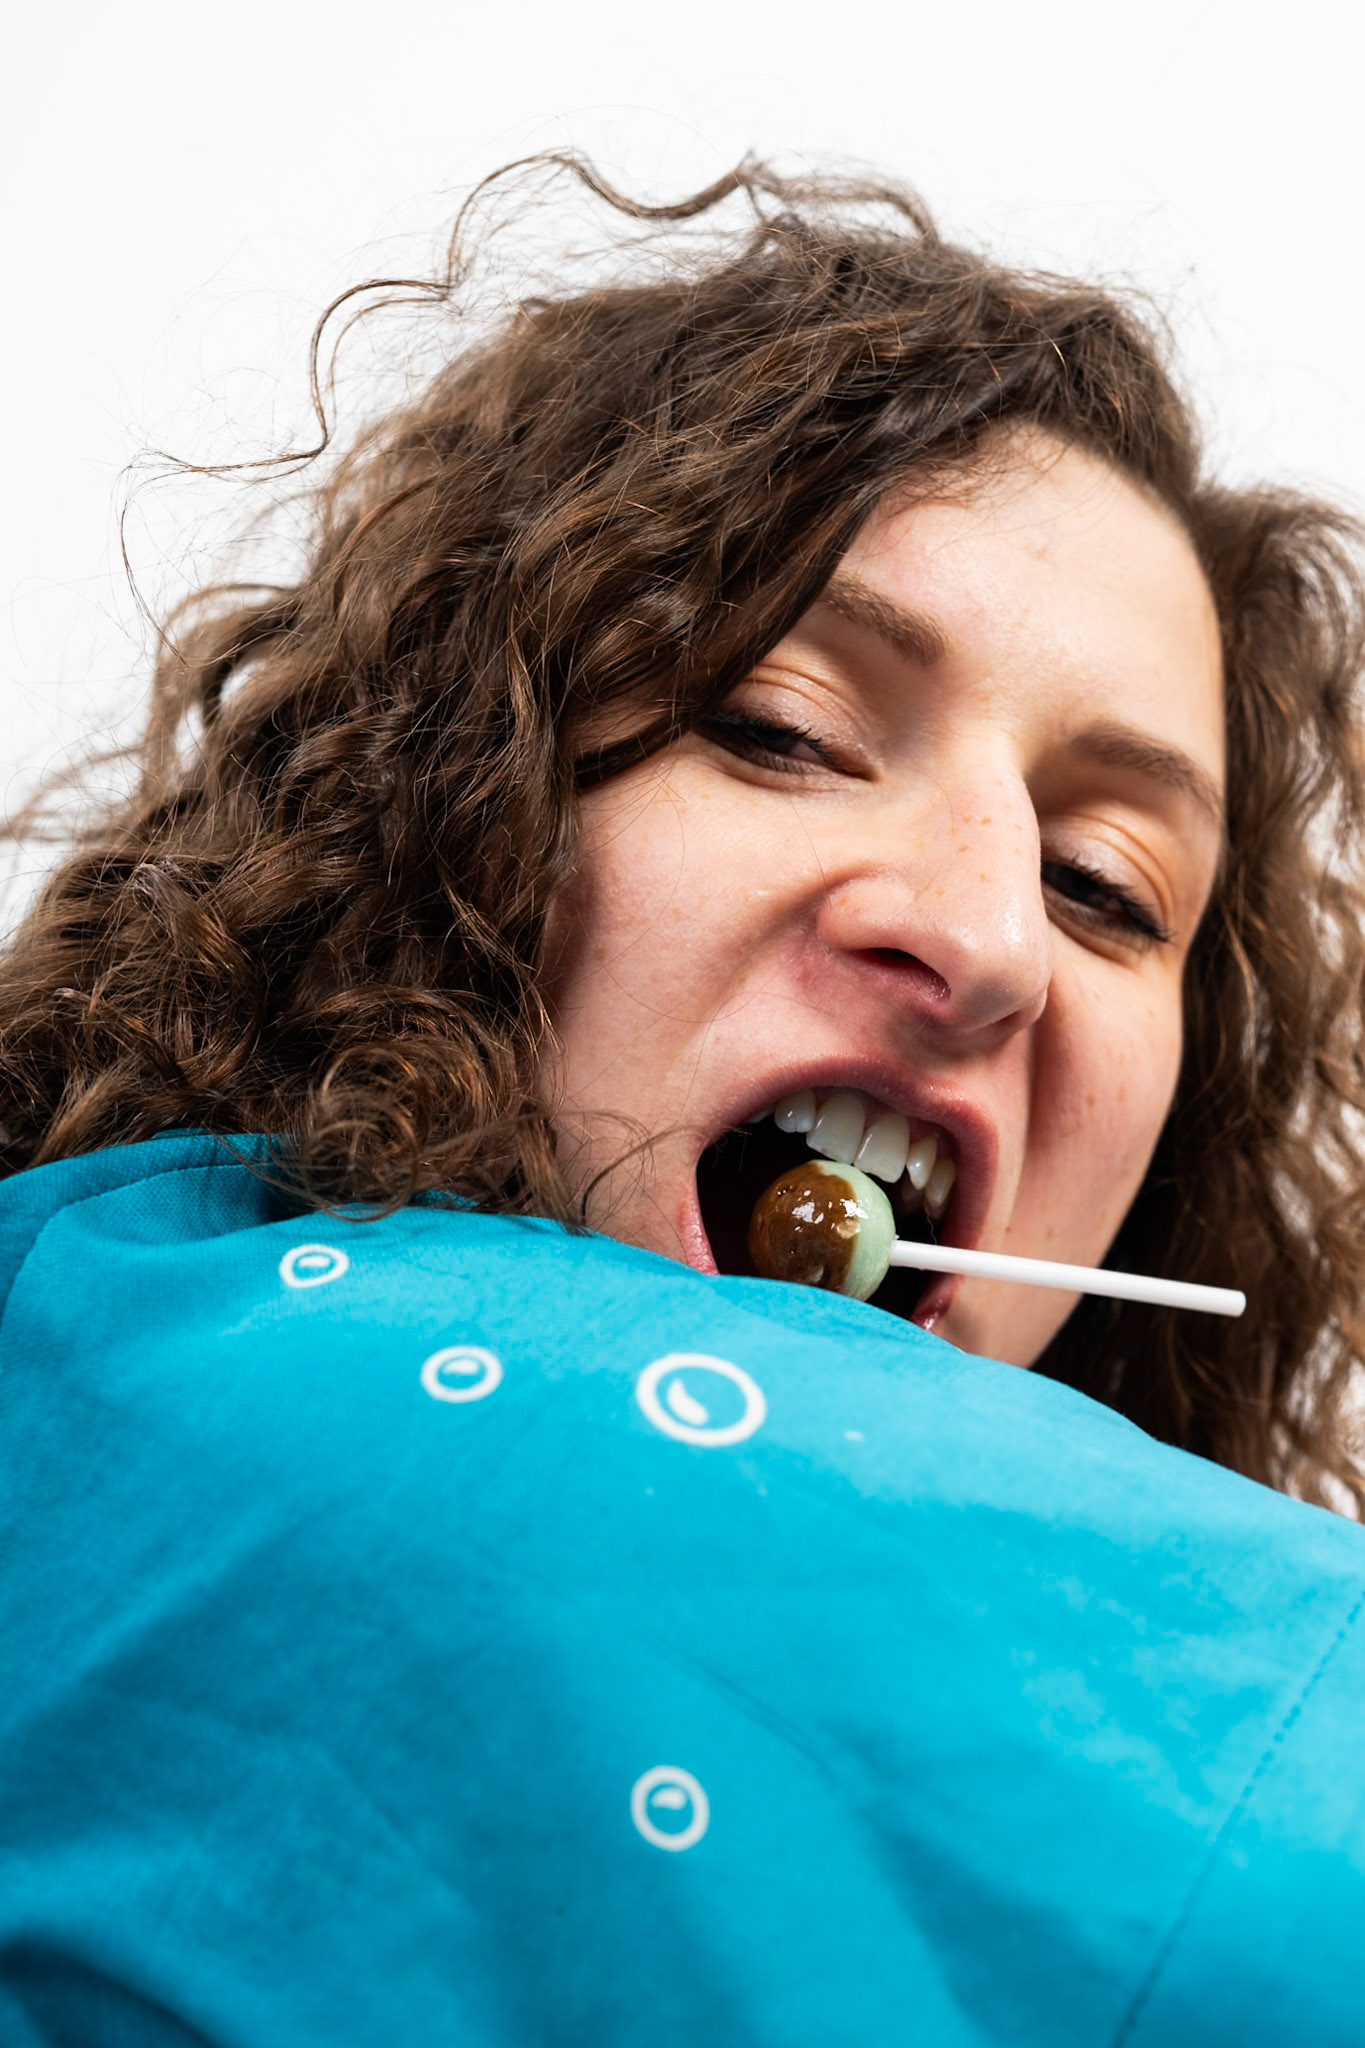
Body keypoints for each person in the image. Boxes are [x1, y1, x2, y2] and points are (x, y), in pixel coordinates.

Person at [1, 155, 1364, 2045]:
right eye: (781, 729)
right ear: (455, 811)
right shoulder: (293, 1418)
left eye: (1105, 886)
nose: (988, 939)